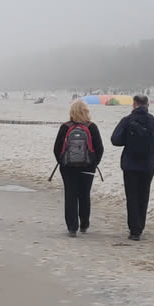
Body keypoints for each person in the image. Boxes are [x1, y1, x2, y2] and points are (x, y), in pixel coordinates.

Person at [109, 93, 154, 240]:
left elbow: (115, 140)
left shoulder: (127, 120)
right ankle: (140, 226)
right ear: (147, 105)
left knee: (132, 196)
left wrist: (129, 141)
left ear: (134, 104)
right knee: (143, 195)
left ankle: (134, 230)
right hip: (148, 164)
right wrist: (150, 146)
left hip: (130, 164)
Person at [52, 100, 104, 236]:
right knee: (84, 194)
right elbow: (99, 148)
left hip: (68, 167)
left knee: (70, 195)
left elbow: (56, 148)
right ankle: (84, 224)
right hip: (88, 167)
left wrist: (62, 162)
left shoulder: (65, 127)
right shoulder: (92, 127)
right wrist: (94, 163)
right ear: (86, 111)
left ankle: (72, 227)